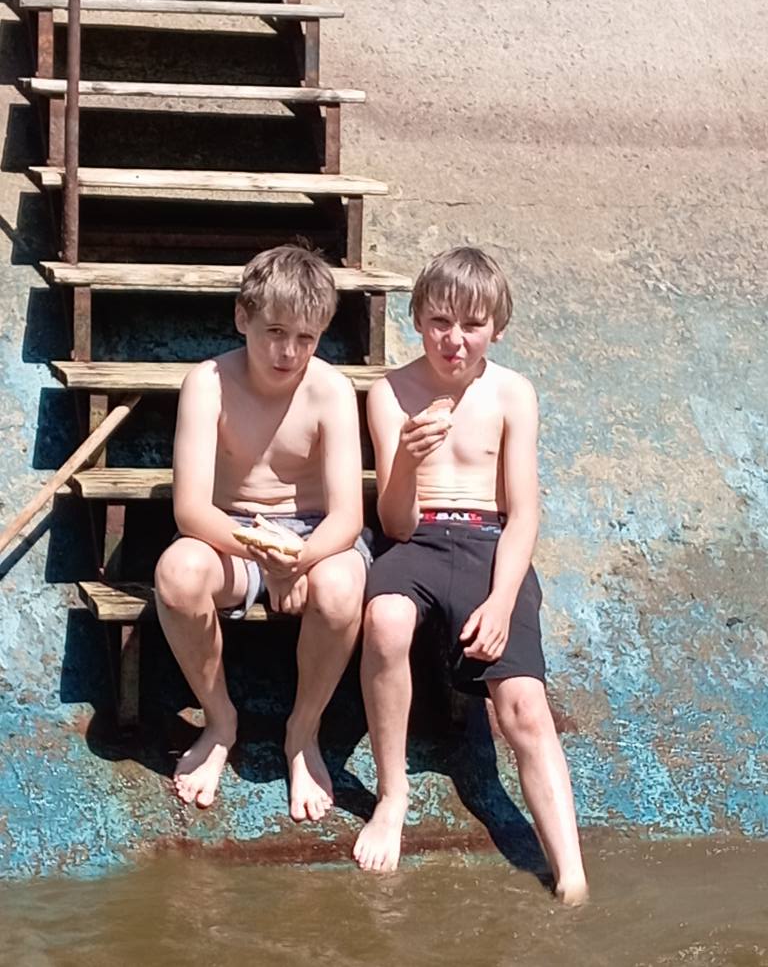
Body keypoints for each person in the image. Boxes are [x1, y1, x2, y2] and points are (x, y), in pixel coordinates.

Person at [352, 247, 588, 905]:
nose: (453, 340)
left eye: (472, 325)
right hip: (420, 537)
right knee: (385, 620)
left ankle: (571, 875)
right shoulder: (391, 392)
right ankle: (392, 796)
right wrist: (406, 458)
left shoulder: (513, 393)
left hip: (491, 540)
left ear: (497, 329)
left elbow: (524, 512)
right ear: (417, 320)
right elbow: (394, 523)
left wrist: (503, 600)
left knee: (524, 707)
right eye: (439, 322)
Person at [154, 245, 370, 818]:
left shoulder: (330, 390)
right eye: (275, 331)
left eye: (305, 337)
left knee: (341, 589)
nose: (288, 351)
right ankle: (220, 721)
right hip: (231, 532)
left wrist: (296, 559)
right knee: (177, 574)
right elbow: (191, 511)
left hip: (315, 536)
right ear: (241, 317)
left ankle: (303, 732)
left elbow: (348, 517)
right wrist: (267, 555)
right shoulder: (208, 383)